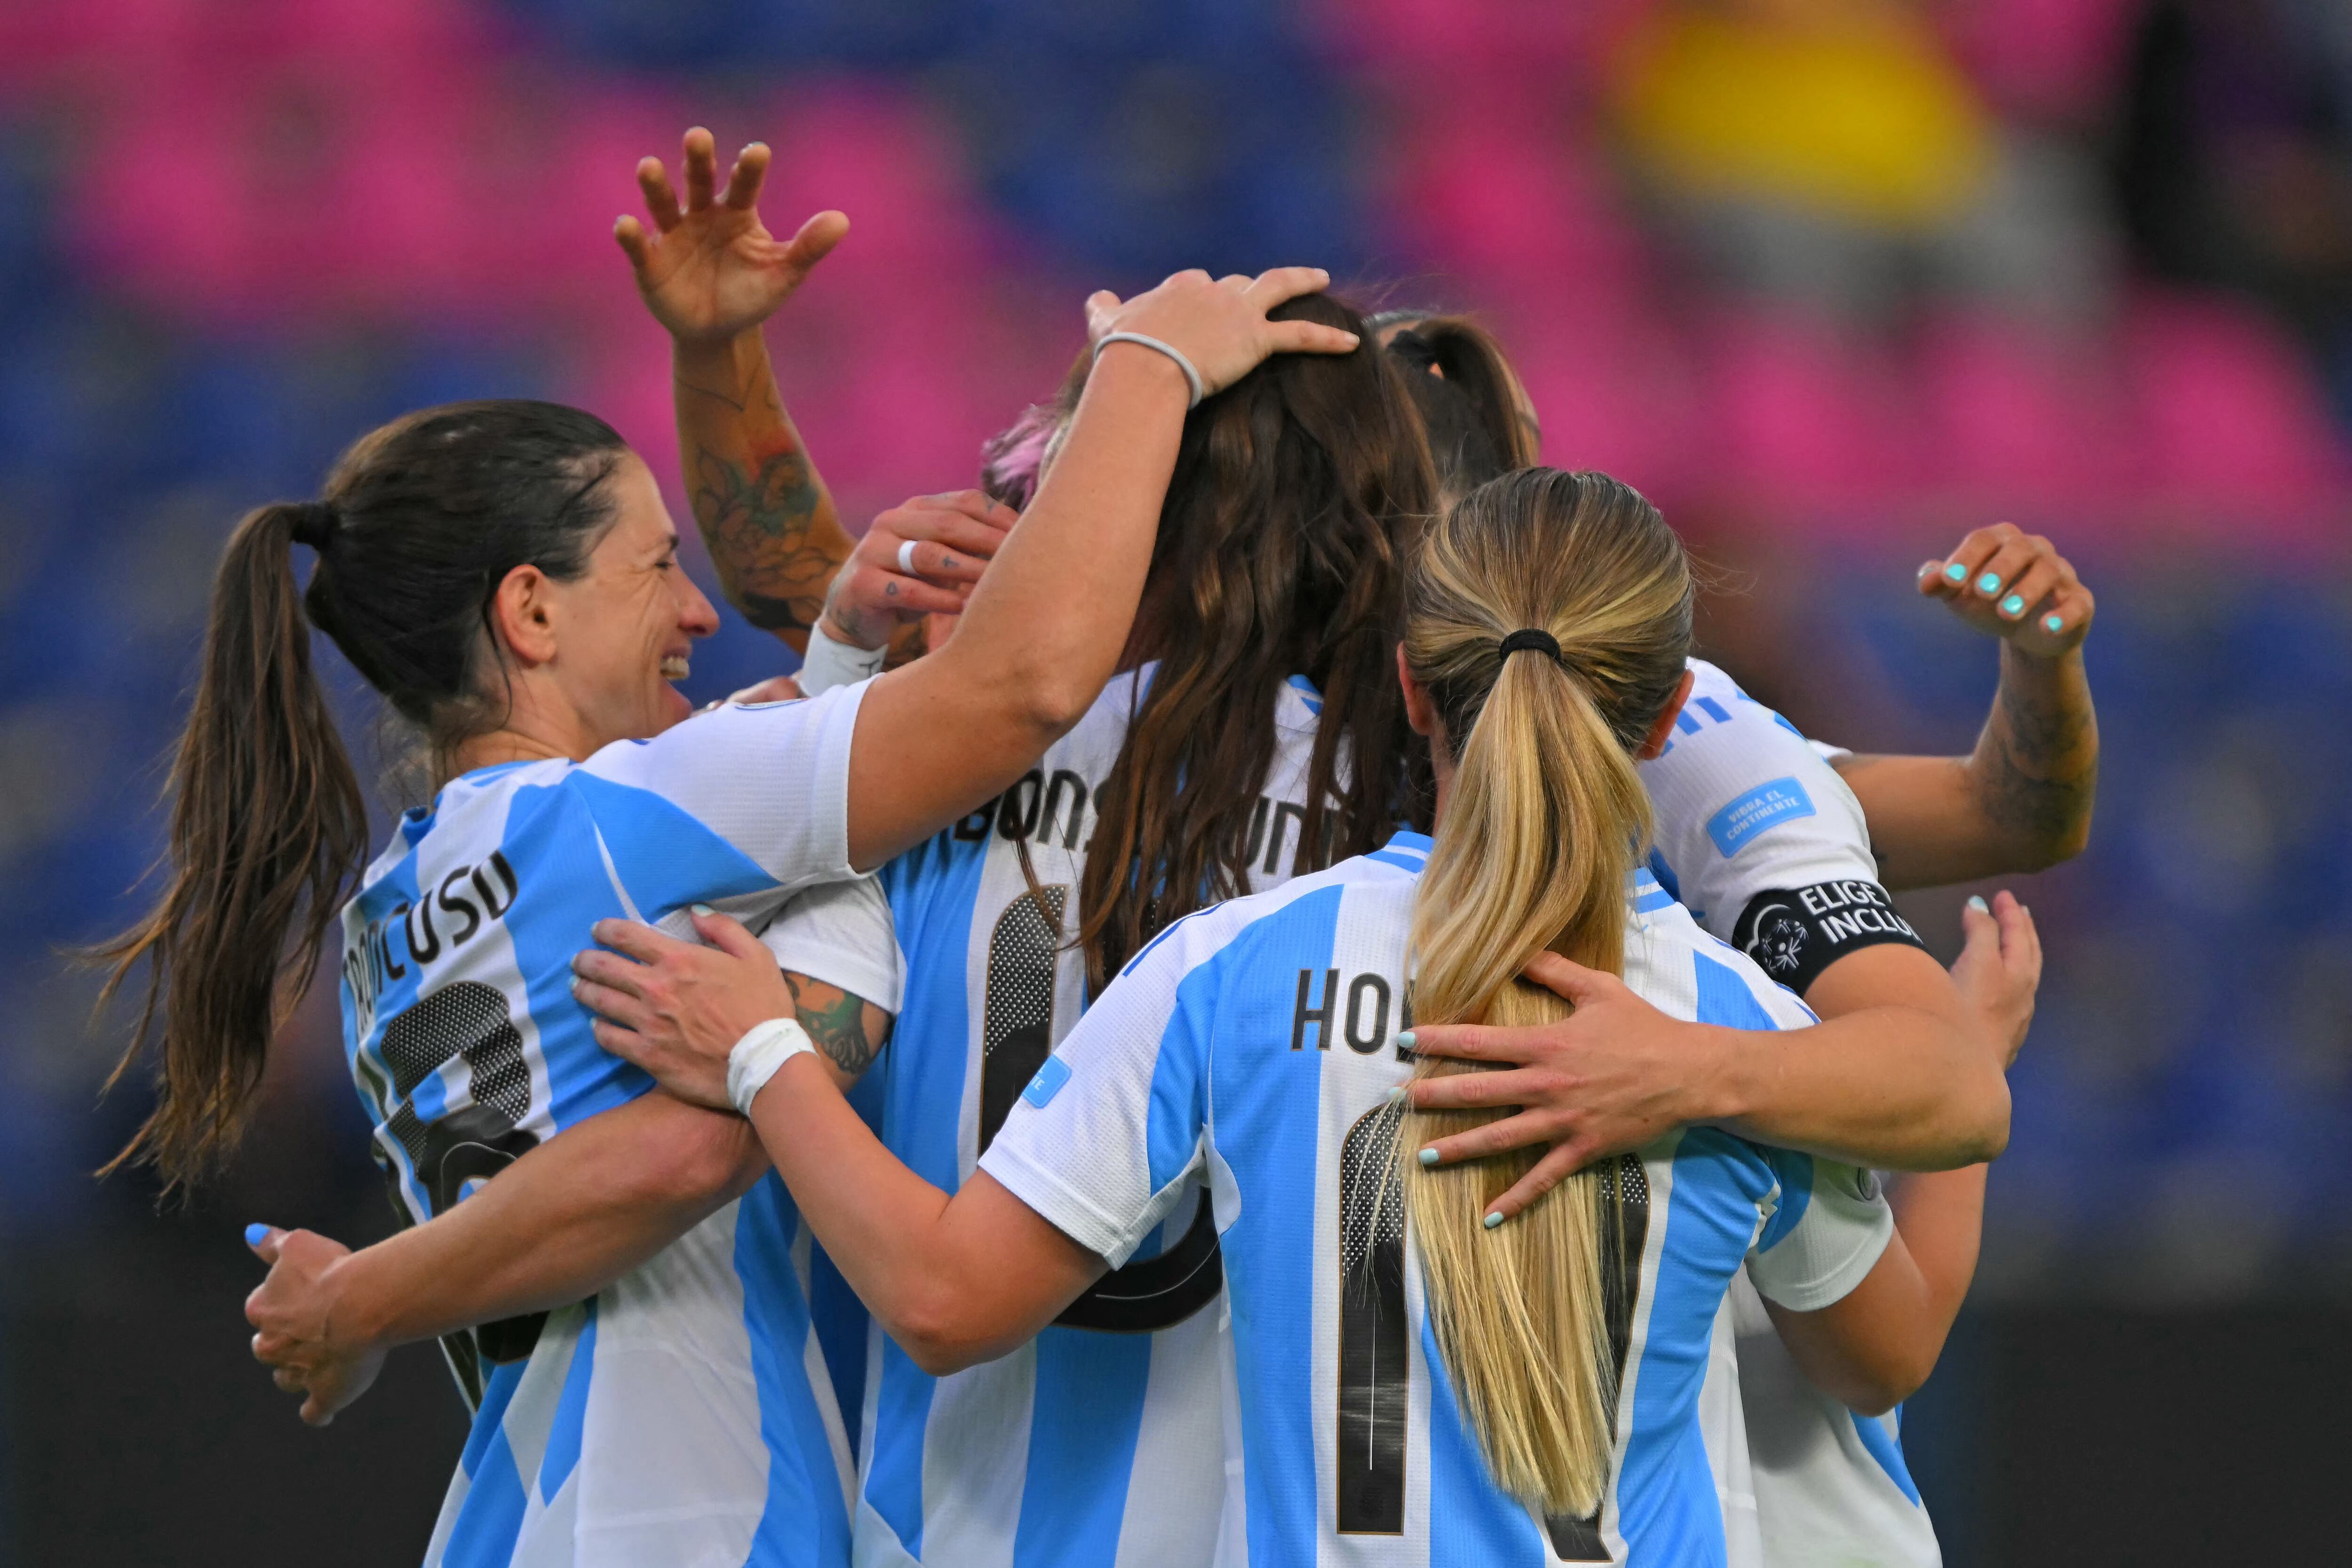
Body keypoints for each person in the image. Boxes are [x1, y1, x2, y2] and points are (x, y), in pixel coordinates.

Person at [113, 125, 1359, 1566]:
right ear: (531, 614)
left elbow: (790, 721)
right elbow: (1008, 693)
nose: (701, 614)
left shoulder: (389, 914)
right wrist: (1150, 368)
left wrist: (377, 1292)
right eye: (655, 569)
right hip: (699, 1522)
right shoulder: (629, 820)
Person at [575, 467, 1991, 1564]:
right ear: (1676, 709)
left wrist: (766, 1051)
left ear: (1405, 691)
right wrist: (1967, 1069)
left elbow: (946, 1301)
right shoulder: (1740, 1037)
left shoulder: (1234, 970)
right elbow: (1885, 1356)